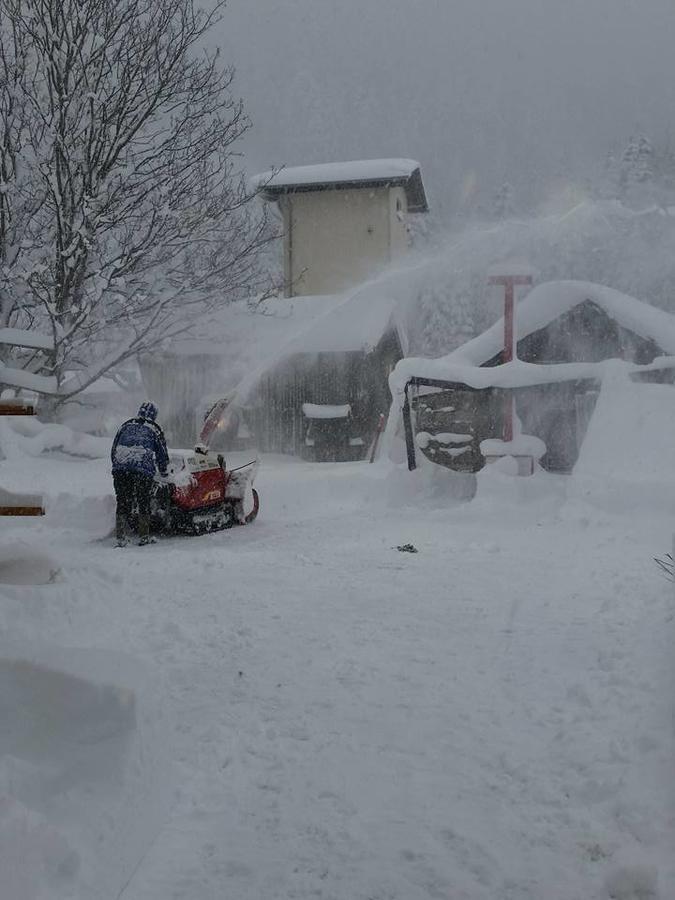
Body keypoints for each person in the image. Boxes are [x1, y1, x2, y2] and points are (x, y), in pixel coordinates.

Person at [111, 401, 170, 546]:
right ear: (154, 415)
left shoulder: (125, 425)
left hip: (120, 468)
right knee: (144, 500)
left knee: (122, 500)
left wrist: (118, 466)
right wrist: (163, 471)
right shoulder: (154, 429)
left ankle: (121, 537)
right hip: (142, 470)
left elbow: (114, 449)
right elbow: (162, 454)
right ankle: (144, 537)